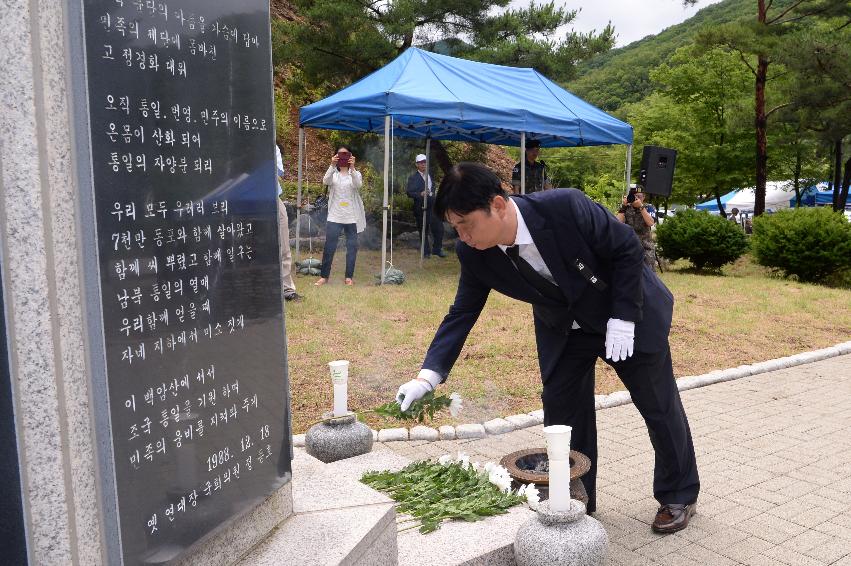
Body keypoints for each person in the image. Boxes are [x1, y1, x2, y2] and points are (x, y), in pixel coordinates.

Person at [394, 163, 699, 533]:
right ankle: (576, 499)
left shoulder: (565, 207)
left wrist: (623, 317)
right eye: (455, 227)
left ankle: (678, 493)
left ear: (498, 205)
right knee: (563, 414)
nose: (462, 236)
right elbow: (462, 311)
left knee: (657, 403)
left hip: (625, 312)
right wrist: (427, 377)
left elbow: (626, 248)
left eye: (466, 224)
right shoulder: (474, 253)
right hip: (565, 329)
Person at [315, 146, 366, 286]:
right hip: (335, 216)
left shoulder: (355, 173)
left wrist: (353, 168)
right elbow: (325, 181)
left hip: (351, 216)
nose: (342, 157)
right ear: (335, 156)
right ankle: (324, 277)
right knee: (329, 247)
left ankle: (348, 277)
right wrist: (332, 165)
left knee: (352, 248)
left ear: (350, 156)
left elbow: (358, 185)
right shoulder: (334, 174)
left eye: (345, 154)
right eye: (340, 154)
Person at [276, 144, 302, 302]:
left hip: (271, 196)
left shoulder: (272, 146)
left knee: (284, 245)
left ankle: (286, 288)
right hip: (243, 199)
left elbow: (279, 173)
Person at [406, 154, 446, 258]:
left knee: (439, 228)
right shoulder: (413, 178)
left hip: (432, 205)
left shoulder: (431, 174)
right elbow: (409, 192)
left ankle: (437, 249)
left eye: (425, 162)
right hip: (420, 207)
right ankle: (426, 252)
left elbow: (433, 187)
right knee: (423, 230)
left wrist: (432, 193)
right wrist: (420, 194)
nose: (423, 164)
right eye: (421, 163)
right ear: (417, 165)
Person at [617, 187, 656, 269]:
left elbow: (650, 222)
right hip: (630, 247)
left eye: (639, 196)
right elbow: (617, 223)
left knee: (649, 274)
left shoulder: (649, 207)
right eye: (634, 196)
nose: (637, 199)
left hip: (646, 247)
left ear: (644, 197)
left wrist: (641, 207)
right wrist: (623, 207)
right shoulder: (626, 208)